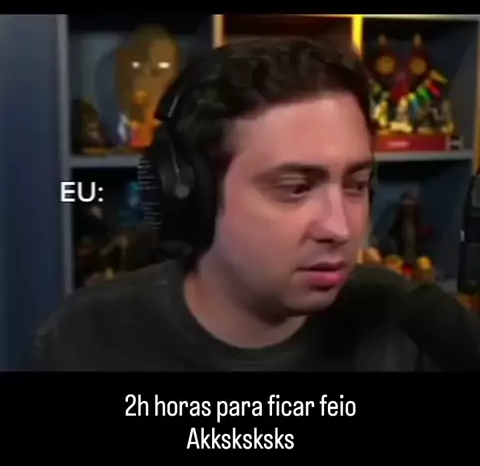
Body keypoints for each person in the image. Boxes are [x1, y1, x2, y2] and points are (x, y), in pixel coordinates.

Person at [24, 36, 480, 371]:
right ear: (192, 194)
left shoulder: (412, 327)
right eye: (296, 188)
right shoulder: (81, 342)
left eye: (356, 185)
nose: (340, 229)